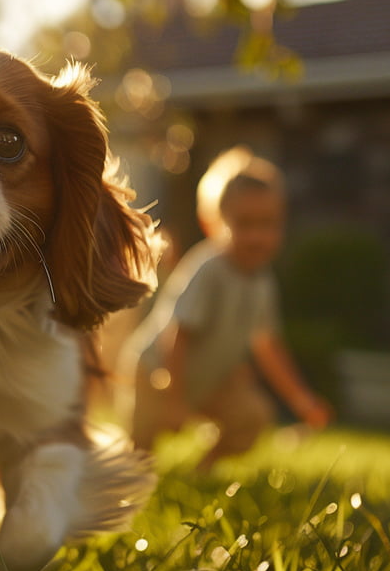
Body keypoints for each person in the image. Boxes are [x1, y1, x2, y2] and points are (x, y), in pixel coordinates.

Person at [117, 145, 331, 470]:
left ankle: (202, 472)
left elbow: (268, 346)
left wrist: (302, 401)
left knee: (253, 416)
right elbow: (178, 335)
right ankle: (119, 476)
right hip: (156, 375)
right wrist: (174, 402)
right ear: (214, 224)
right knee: (139, 456)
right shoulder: (210, 270)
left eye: (268, 224)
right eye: (244, 224)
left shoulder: (262, 282)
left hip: (208, 382)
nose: (257, 236)